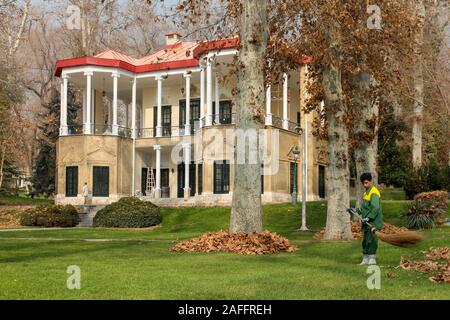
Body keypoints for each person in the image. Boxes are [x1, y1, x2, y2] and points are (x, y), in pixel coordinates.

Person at [354, 172, 383, 265]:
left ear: (370, 181)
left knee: (372, 240)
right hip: (366, 221)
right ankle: (365, 257)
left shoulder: (374, 192)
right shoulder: (366, 193)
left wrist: (368, 218)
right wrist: (355, 210)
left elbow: (375, 207)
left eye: (366, 182)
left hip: (374, 221)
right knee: (366, 240)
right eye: (363, 183)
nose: (364, 184)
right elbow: (364, 207)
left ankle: (372, 258)